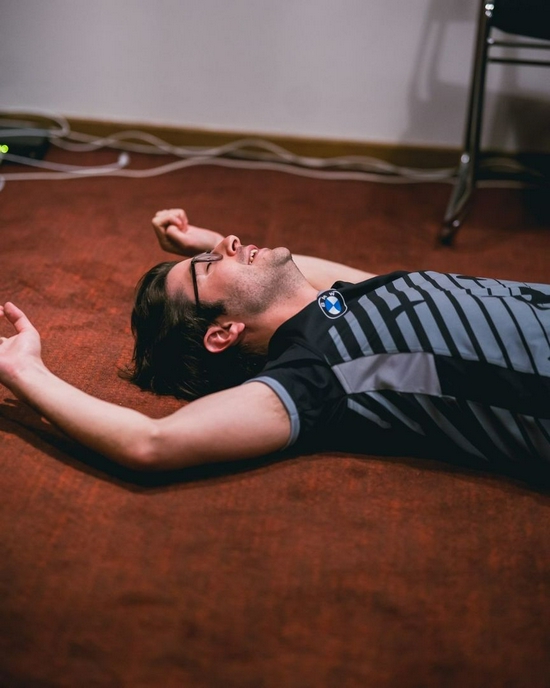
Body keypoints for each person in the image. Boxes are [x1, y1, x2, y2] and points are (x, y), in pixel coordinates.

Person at [0, 209, 549, 479]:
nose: (231, 240)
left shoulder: (339, 300)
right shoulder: (317, 373)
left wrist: (205, 248)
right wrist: (26, 372)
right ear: (222, 333)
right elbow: (151, 442)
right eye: (208, 266)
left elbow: (299, 276)